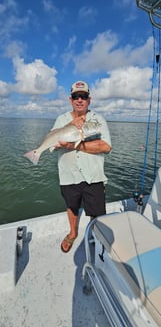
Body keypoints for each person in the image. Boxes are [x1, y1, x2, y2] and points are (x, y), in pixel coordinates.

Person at [51, 80, 112, 253]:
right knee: (71, 206)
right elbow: (53, 143)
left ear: (89, 100)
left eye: (83, 96)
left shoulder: (97, 120)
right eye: (76, 96)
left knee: (97, 212)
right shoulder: (61, 120)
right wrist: (65, 133)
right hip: (68, 175)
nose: (79, 100)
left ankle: (97, 235)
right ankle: (73, 232)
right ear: (70, 100)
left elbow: (106, 147)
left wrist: (75, 145)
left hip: (94, 175)